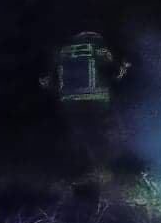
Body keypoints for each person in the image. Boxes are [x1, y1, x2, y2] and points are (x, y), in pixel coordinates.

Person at [46, 30, 123, 174]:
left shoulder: (62, 50)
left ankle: (80, 169)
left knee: (80, 134)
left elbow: (50, 79)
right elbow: (111, 69)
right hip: (96, 99)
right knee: (102, 134)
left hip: (70, 101)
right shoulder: (95, 45)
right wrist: (122, 70)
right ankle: (101, 170)